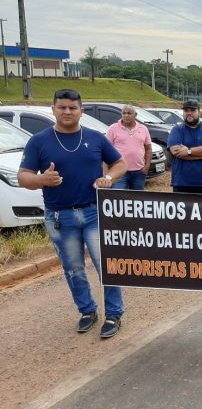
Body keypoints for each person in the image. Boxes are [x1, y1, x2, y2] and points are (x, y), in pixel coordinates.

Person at [18, 89, 127, 338]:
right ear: (53, 109)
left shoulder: (95, 138)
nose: (67, 112)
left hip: (94, 213)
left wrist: (109, 178)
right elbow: (24, 176)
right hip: (60, 217)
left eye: (72, 108)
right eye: (62, 107)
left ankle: (114, 314)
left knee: (107, 265)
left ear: (81, 111)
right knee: (73, 268)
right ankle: (87, 310)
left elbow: (120, 164)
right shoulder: (39, 141)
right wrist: (42, 179)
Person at [167, 100, 202, 194]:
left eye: (192, 110)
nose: (189, 113)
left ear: (199, 112)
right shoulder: (177, 129)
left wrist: (189, 151)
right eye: (186, 110)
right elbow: (176, 152)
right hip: (182, 183)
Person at [106, 104, 152, 190]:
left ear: (135, 115)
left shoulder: (143, 128)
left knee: (137, 197)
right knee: (119, 196)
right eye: (124, 113)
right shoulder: (113, 128)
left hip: (139, 172)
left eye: (129, 113)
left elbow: (148, 149)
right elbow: (107, 150)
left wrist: (147, 166)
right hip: (119, 172)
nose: (126, 115)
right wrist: (108, 169)